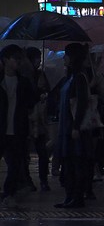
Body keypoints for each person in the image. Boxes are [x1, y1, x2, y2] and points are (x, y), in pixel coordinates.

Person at [54, 43, 94, 208]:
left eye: (66, 55)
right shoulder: (70, 76)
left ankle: (77, 197)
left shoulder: (79, 77)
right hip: (67, 127)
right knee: (69, 163)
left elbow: (82, 103)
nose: (64, 58)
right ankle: (70, 196)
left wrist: (76, 126)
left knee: (76, 163)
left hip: (74, 128)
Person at [0, 44, 35, 207]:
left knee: (14, 165)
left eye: (20, 59)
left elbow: (30, 103)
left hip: (17, 130)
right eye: (15, 59)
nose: (18, 63)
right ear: (6, 60)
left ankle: (9, 193)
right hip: (2, 128)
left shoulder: (24, 82)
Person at [25, 46, 51, 191]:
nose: (38, 61)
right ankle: (28, 179)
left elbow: (47, 90)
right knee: (26, 152)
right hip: (29, 118)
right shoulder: (25, 76)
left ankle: (43, 180)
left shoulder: (41, 74)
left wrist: (44, 91)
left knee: (42, 151)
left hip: (39, 119)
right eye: (37, 58)